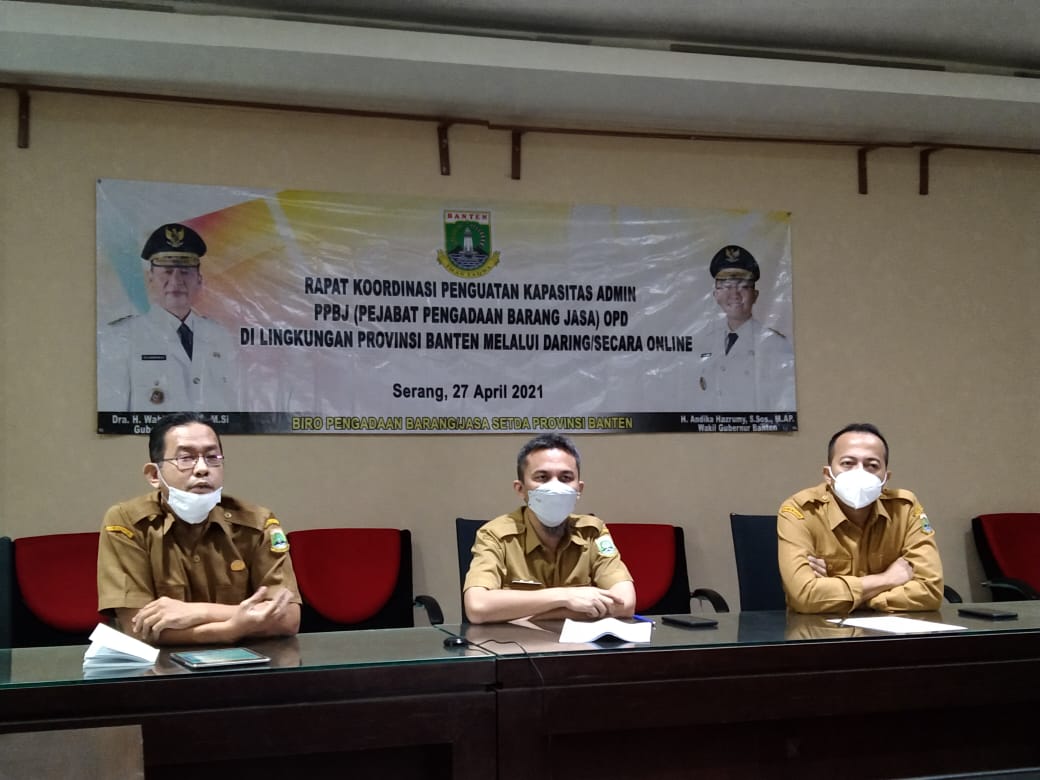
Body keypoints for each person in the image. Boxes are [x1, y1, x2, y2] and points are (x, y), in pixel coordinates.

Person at [97, 412, 300, 644]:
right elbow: (137, 627)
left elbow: (289, 618)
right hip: (158, 671)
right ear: (154, 475)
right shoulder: (127, 522)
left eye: (212, 457)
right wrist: (231, 628)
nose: (203, 468)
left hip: (246, 667)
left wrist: (197, 612)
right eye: (186, 458)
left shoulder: (258, 523)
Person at [463, 433, 636, 624]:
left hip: (578, 650)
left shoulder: (593, 532)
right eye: (542, 477)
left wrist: (528, 616)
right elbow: (477, 607)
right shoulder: (495, 535)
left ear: (579, 489)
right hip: (518, 648)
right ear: (520, 489)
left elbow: (625, 603)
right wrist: (565, 596)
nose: (555, 487)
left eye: (566, 477)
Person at [777, 422, 943, 614]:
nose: (860, 472)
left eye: (872, 465)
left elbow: (930, 591)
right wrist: (887, 580)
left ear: (885, 479)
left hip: (891, 635)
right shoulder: (801, 510)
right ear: (828, 475)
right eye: (848, 463)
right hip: (819, 634)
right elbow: (804, 596)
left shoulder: (905, 509)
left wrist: (842, 596)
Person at [98, 223, 239, 412]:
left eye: (184, 272)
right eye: (167, 271)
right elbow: (112, 419)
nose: (176, 281)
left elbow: (234, 408)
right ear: (150, 278)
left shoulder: (219, 336)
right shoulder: (123, 336)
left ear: (199, 279)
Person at [692, 244, 795, 412]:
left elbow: (785, 403)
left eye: (743, 286)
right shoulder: (703, 340)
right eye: (726, 286)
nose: (734, 294)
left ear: (755, 295)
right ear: (715, 294)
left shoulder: (775, 344)